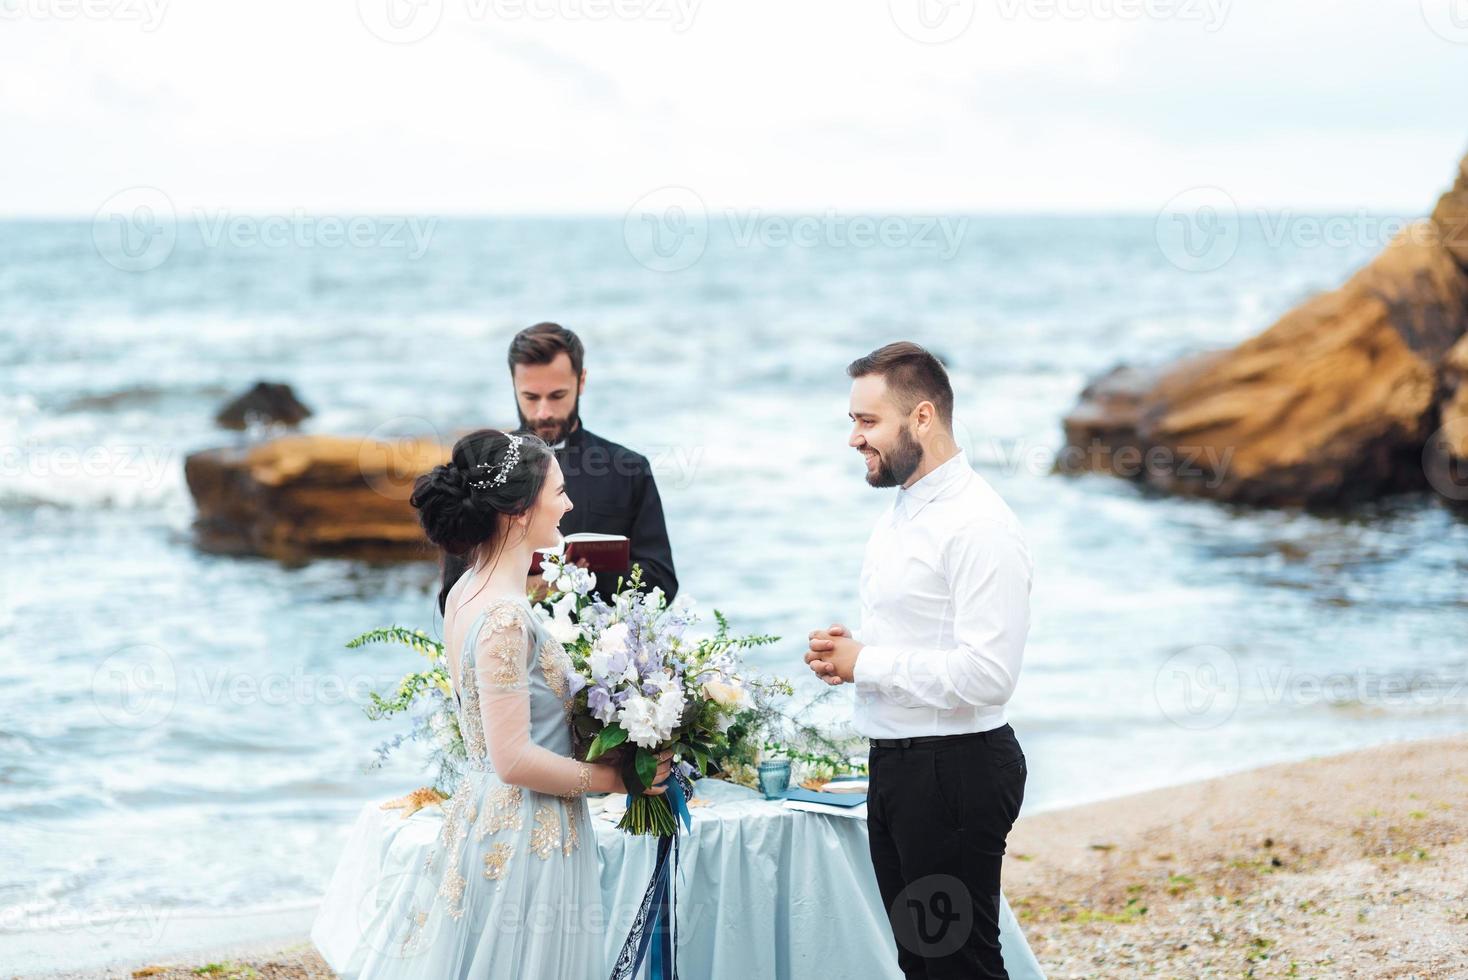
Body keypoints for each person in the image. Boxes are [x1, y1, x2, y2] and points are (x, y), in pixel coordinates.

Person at [339, 428, 671, 979]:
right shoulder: (504, 618)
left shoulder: (468, 588)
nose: (569, 504)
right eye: (559, 492)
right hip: (526, 833)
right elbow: (513, 759)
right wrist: (620, 780)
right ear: (520, 511)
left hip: (486, 813)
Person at [805, 342, 1033, 979]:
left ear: (923, 418)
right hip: (902, 765)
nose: (853, 438)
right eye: (853, 421)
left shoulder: (979, 523)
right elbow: (919, 638)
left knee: (960, 967)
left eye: (866, 421)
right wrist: (844, 654)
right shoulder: (904, 509)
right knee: (922, 965)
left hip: (954, 770)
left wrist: (867, 662)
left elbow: (990, 675)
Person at [441, 323, 677, 610]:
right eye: (530, 397)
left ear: (582, 381)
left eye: (557, 396)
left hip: (601, 648)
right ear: (513, 384)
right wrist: (530, 588)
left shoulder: (630, 469)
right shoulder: (485, 468)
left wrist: (576, 578)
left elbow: (663, 583)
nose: (544, 412)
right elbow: (451, 595)